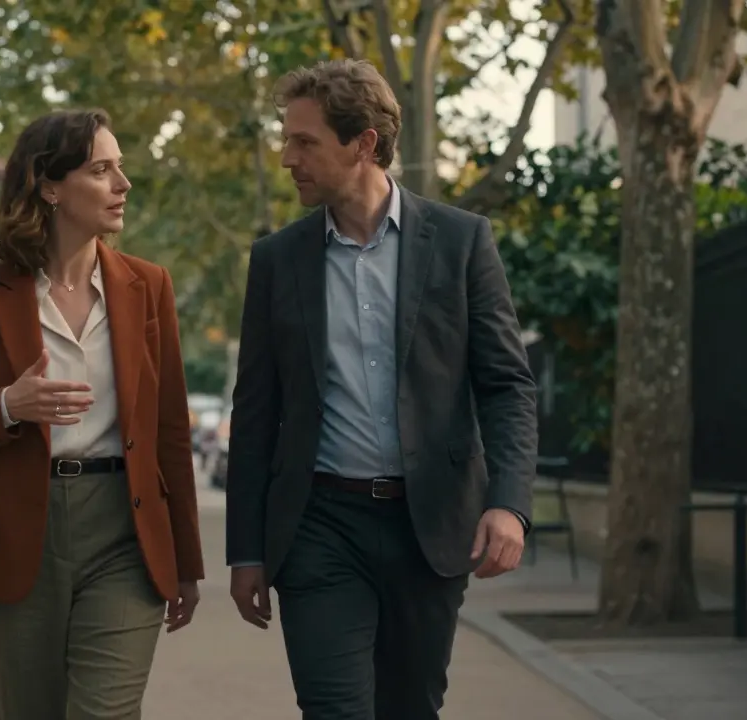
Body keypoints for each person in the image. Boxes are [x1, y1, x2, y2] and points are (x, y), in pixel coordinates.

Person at [225, 59, 538, 719]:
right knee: (334, 708)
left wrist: (509, 505)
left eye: (304, 141)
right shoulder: (278, 260)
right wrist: (247, 550)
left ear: (363, 142)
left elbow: (506, 384)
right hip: (319, 525)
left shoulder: (460, 241)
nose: (287, 158)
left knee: (410, 708)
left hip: (428, 527)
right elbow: (256, 413)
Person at [0, 108, 205, 720]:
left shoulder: (148, 286)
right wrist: (6, 406)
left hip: (124, 533)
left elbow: (170, 434)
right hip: (19, 531)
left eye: (120, 168)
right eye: (102, 170)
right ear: (50, 187)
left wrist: (185, 561)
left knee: (104, 712)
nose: (122, 185)